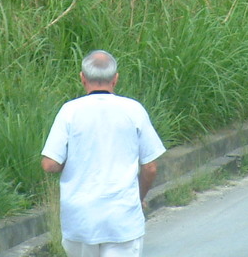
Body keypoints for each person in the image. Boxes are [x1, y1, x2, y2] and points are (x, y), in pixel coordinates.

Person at [41, 50, 166, 257]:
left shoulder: (69, 111)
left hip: (80, 219)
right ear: (115, 79)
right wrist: (139, 197)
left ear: (82, 78)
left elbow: (50, 164)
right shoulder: (133, 110)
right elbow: (150, 167)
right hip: (122, 218)